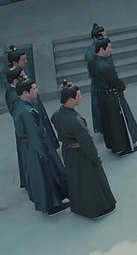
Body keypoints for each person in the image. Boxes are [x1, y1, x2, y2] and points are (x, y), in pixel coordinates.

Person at [51, 81, 116, 219]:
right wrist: (96, 159)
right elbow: (87, 143)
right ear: (71, 100)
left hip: (68, 151)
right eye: (78, 95)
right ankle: (97, 209)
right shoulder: (76, 121)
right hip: (81, 153)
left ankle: (79, 206)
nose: (81, 97)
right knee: (91, 180)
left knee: (75, 180)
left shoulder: (56, 115)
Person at [13, 79, 69, 215]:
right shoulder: (27, 111)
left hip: (32, 146)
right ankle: (53, 204)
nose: (36, 91)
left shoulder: (21, 106)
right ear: (25, 92)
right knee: (46, 175)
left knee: (45, 174)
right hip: (37, 146)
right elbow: (33, 134)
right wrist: (42, 152)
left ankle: (55, 200)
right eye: (34, 88)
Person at [90, 38, 137, 155]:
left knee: (108, 122)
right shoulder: (105, 66)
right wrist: (122, 86)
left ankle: (114, 145)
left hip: (102, 95)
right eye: (109, 47)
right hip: (112, 96)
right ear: (102, 49)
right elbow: (115, 81)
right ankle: (124, 146)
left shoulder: (92, 63)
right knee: (119, 122)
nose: (111, 50)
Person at [5, 67, 27, 189]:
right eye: (21, 76)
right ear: (15, 80)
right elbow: (16, 113)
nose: (24, 77)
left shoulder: (14, 91)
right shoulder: (13, 94)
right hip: (24, 129)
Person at [85, 23, 107, 133]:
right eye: (103, 35)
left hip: (105, 80)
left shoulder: (104, 46)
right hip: (99, 82)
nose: (105, 37)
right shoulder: (91, 53)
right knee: (100, 106)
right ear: (95, 38)